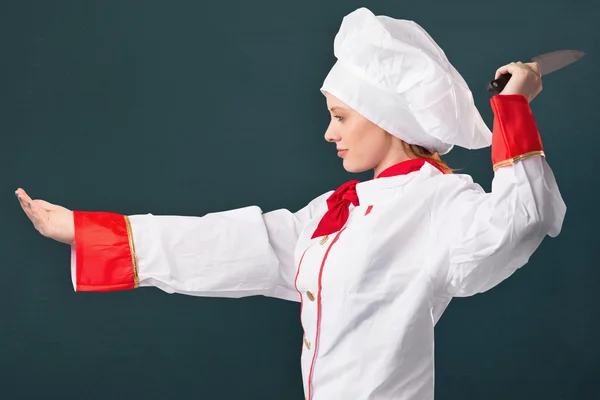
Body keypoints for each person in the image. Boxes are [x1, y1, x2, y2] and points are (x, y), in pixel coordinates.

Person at [15, 7, 565, 400]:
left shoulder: (438, 202)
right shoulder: (336, 210)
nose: (329, 133)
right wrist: (87, 231)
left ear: (388, 118)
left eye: (341, 116)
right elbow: (231, 243)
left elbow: (523, 217)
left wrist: (512, 109)